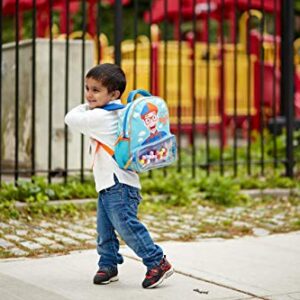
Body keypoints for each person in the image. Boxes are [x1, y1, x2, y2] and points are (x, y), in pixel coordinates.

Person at [64, 63, 174, 289]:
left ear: (114, 94)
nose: (89, 95)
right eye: (87, 88)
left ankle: (157, 262)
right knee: (104, 229)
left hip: (118, 185)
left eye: (96, 90)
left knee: (126, 226)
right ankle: (108, 264)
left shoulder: (100, 118)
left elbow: (70, 118)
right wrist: (93, 105)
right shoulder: (118, 111)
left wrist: (86, 106)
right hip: (110, 184)